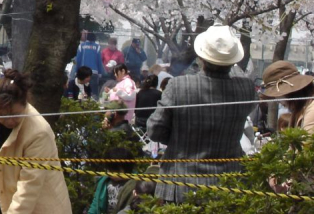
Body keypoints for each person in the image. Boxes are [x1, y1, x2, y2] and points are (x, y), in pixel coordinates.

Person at [147, 25, 256, 203]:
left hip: (180, 184)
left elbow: (155, 130)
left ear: (201, 57)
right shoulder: (245, 88)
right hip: (228, 184)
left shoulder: (178, 86)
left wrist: (178, 138)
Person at [0, 69, 71, 214]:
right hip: (1, 200)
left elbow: (28, 188)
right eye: (2, 115)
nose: (9, 121)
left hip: (38, 206)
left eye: (15, 115)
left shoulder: (39, 132)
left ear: (25, 103)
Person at [261, 61, 314, 132]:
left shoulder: (311, 110)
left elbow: (306, 142)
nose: (278, 100)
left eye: (278, 95)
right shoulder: (300, 110)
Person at [87, 147, 138, 214]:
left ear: (127, 168)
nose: (112, 173)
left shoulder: (136, 184)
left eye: (116, 170)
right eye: (110, 170)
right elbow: (95, 204)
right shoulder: (103, 182)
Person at [74, 32, 104, 98]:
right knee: (94, 92)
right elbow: (99, 61)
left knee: (82, 91)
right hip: (94, 72)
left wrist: (76, 71)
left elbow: (77, 60)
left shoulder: (81, 46)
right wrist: (100, 73)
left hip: (83, 72)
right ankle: (94, 105)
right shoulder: (97, 47)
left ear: (87, 38)